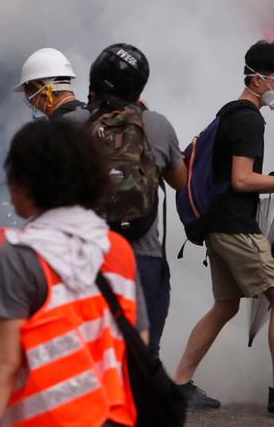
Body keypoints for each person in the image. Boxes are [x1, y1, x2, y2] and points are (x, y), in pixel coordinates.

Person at [0, 119, 141, 427]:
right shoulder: (117, 249)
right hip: (112, 416)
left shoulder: (17, 254)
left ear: (27, 181)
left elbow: (3, 364)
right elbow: (137, 341)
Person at [172, 40, 274, 414]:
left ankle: (179, 384)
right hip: (235, 227)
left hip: (217, 224)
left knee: (225, 305)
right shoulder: (248, 119)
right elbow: (242, 180)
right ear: (257, 80)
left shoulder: (228, 114)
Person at [83, 44, 186, 360]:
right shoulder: (156, 125)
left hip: (88, 254)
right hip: (142, 256)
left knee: (90, 354)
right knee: (142, 356)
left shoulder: (74, 123)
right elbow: (180, 181)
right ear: (140, 87)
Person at [13, 47, 82, 119]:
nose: (34, 107)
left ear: (45, 95)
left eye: (30, 100)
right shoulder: (92, 114)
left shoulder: (54, 128)